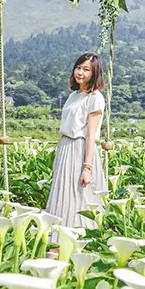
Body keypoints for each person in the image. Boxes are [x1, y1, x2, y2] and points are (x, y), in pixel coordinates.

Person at [45, 53, 108, 253]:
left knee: (78, 198)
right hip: (65, 149)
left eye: (86, 69)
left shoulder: (95, 98)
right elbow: (63, 129)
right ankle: (58, 244)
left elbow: (91, 135)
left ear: (94, 73)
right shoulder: (73, 96)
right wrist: (57, 159)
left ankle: (78, 246)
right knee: (61, 197)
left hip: (80, 151)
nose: (80, 72)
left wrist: (87, 167)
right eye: (78, 67)